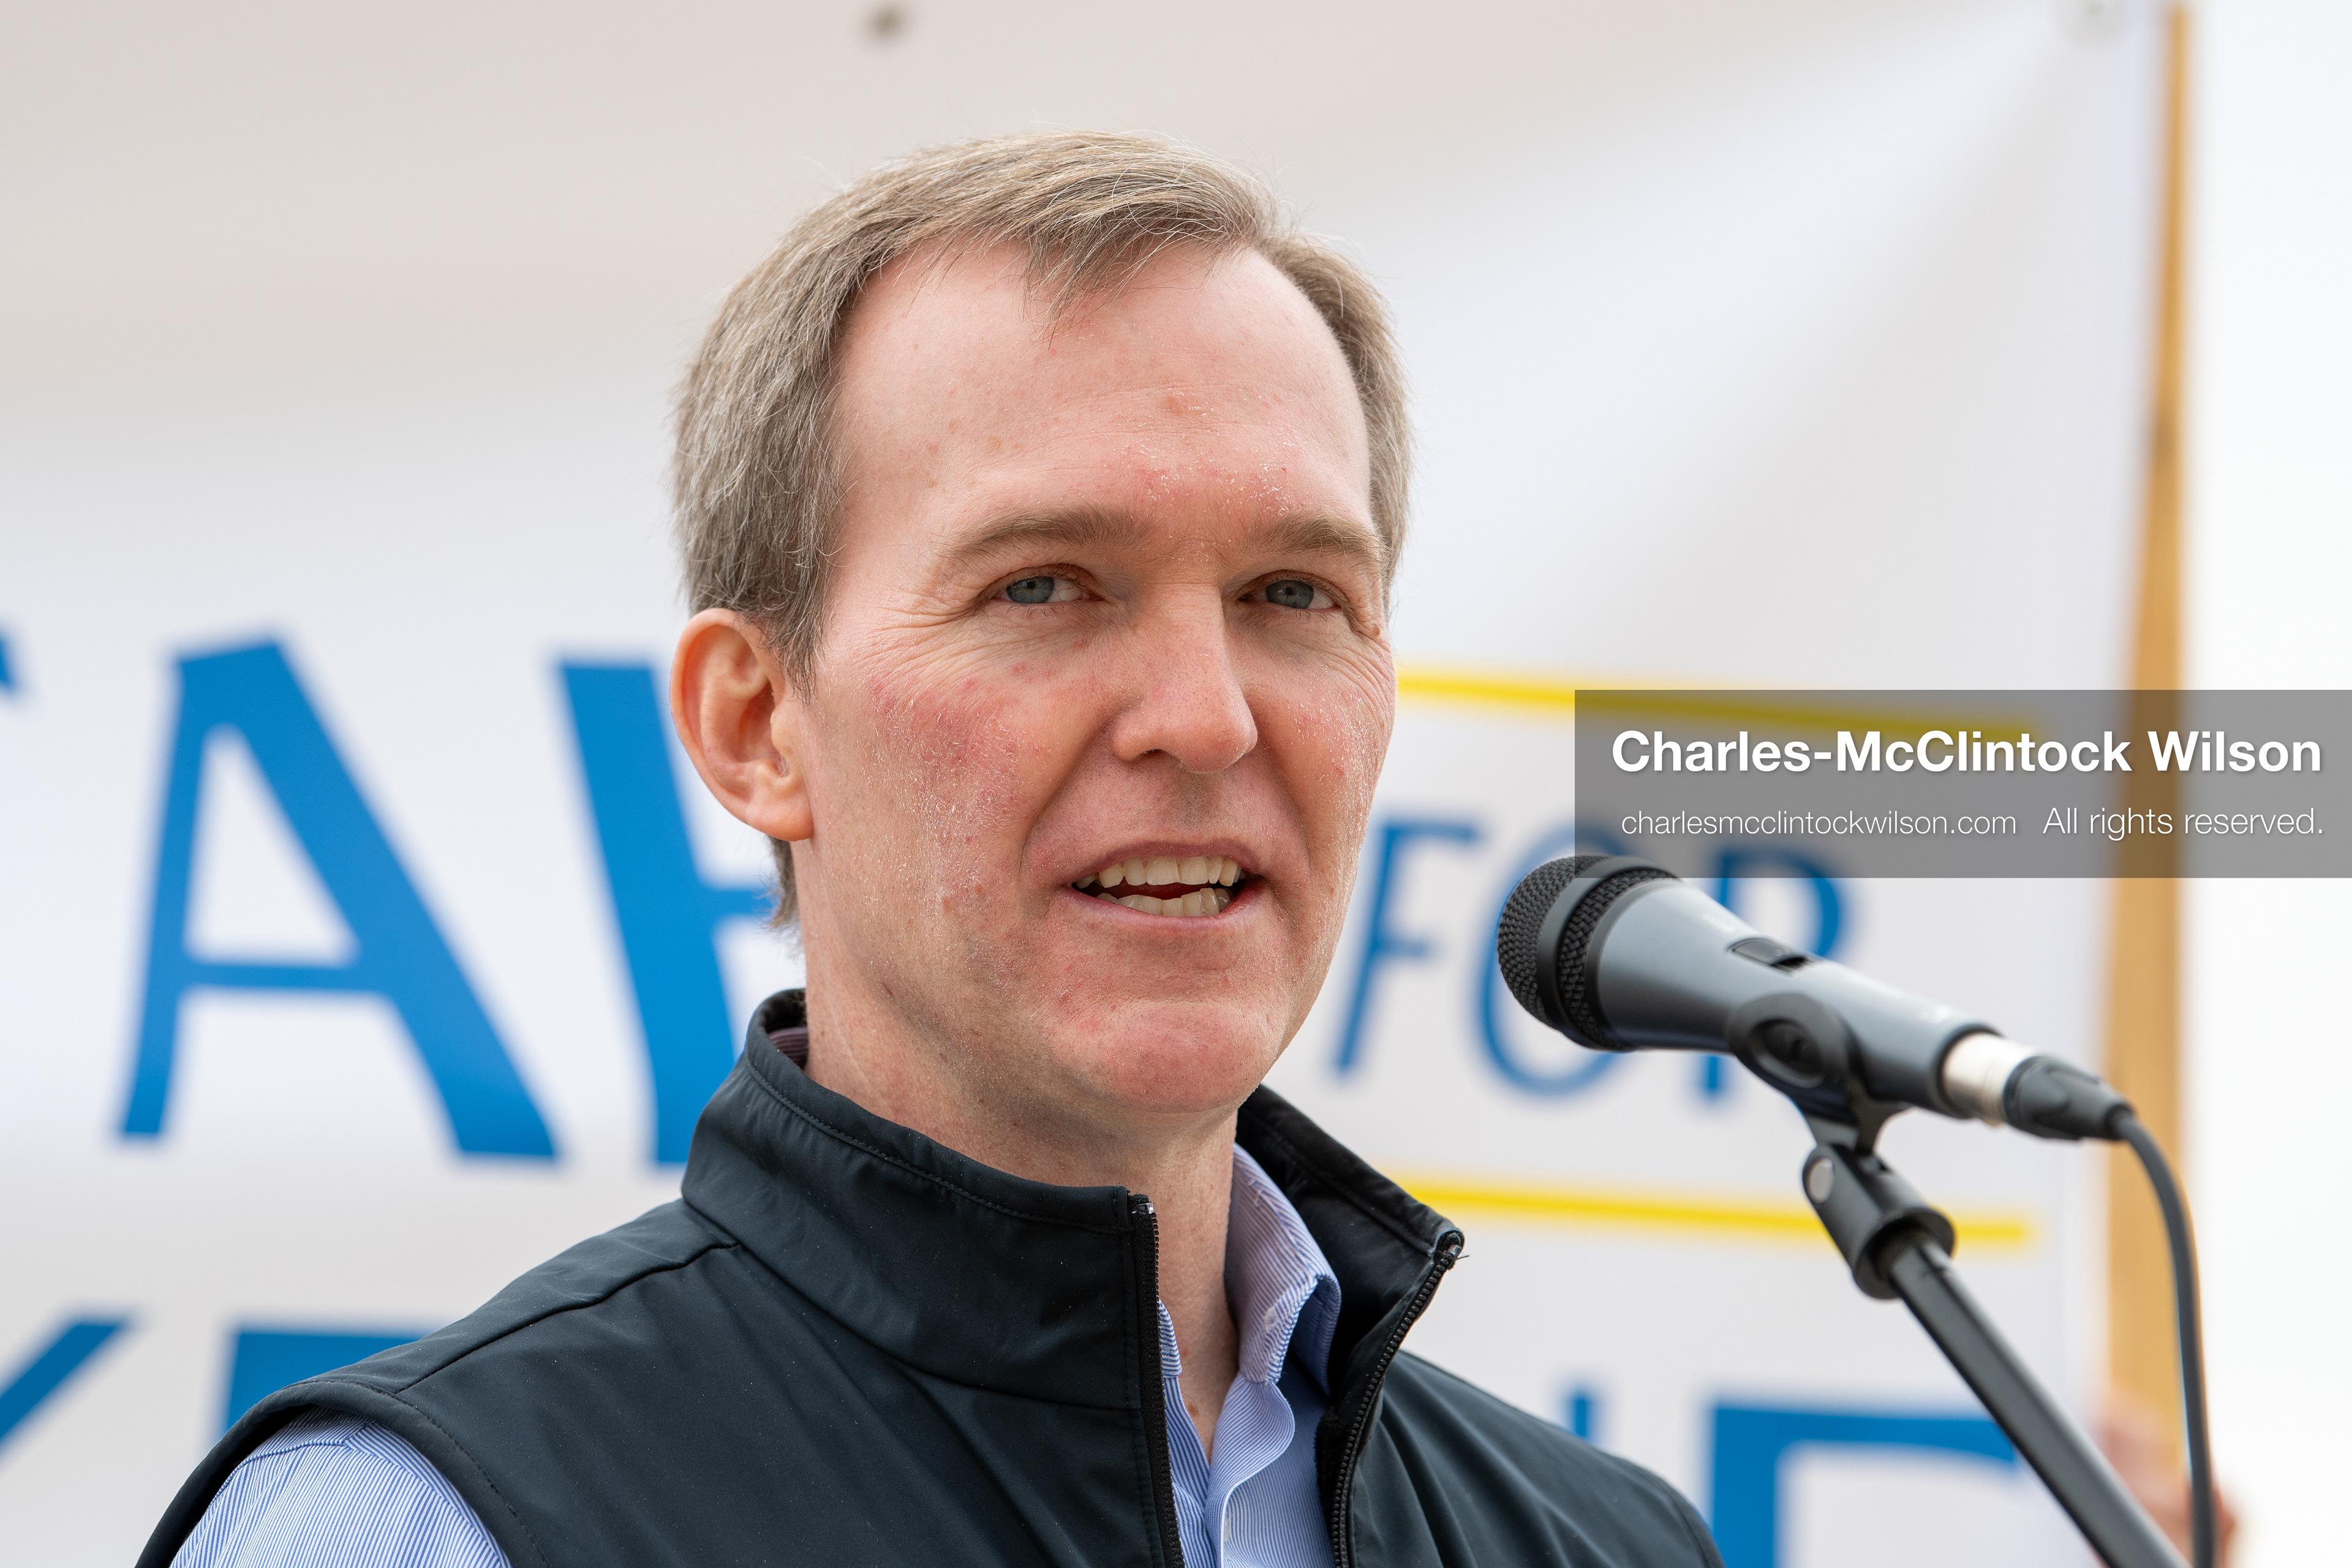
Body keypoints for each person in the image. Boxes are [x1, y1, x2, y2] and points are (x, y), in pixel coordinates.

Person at [141, 132, 1724, 1568]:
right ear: (758, 726)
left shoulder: (1605, 1546)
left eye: (1293, 595)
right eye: (1045, 586)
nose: (1207, 718)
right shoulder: (433, 1527)